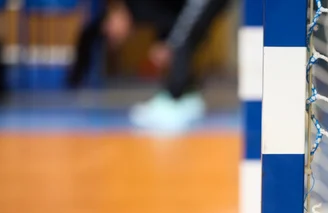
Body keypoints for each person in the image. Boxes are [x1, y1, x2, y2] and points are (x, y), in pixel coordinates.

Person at [69, 0, 231, 132]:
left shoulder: (137, 6)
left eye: (110, 31)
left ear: (113, 14)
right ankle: (186, 96)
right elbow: (171, 17)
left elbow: (179, 26)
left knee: (179, 42)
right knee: (179, 42)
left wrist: (167, 43)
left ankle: (174, 98)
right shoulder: (139, 12)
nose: (114, 37)